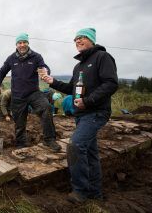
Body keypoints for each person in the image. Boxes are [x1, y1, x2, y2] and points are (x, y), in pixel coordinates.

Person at [43, 28, 118, 203]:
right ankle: (95, 193)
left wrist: (88, 101)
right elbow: (72, 89)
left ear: (91, 40)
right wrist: (52, 81)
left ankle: (80, 191)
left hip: (96, 112)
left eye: (82, 38)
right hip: (81, 114)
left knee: (75, 146)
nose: (77, 41)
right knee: (90, 153)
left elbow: (111, 84)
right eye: (75, 39)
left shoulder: (102, 57)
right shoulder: (79, 66)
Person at [0, 33, 61, 151]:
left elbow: (44, 67)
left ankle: (49, 140)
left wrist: (45, 71)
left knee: (46, 107)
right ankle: (21, 144)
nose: (22, 45)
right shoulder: (11, 58)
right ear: (16, 44)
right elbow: (2, 71)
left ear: (28, 43)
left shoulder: (36, 57)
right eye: (20, 43)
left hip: (33, 92)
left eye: (24, 42)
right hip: (17, 95)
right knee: (19, 123)